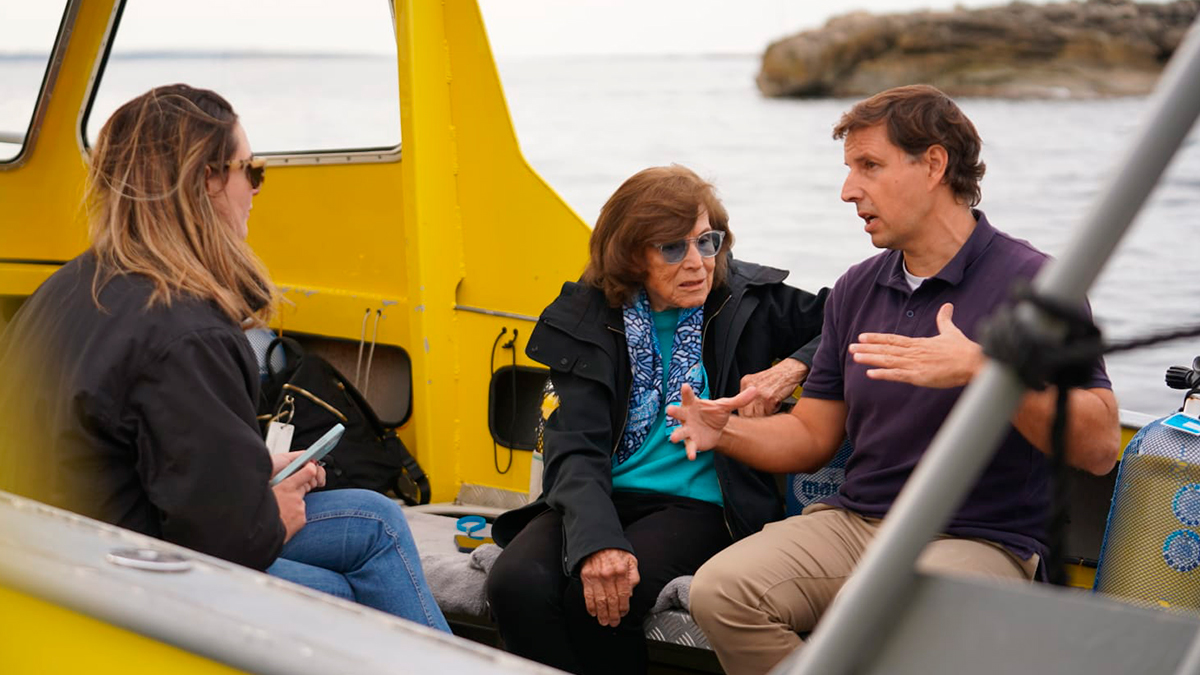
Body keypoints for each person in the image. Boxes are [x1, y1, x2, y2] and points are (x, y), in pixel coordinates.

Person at [670, 85, 1121, 675]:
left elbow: (1101, 446)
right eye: (849, 168)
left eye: (870, 166)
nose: (848, 189)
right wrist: (723, 432)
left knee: (877, 610)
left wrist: (986, 372)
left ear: (933, 164)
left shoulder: (1036, 285)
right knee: (720, 591)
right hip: (855, 523)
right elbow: (811, 437)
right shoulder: (857, 287)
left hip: (979, 538)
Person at [0, 84, 449, 632]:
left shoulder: (65, 289)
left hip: (54, 558)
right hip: (126, 587)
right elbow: (230, 542)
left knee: (376, 519)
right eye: (250, 171)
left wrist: (252, 469)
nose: (256, 190)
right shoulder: (187, 333)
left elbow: (116, 454)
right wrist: (273, 513)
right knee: (342, 593)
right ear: (208, 180)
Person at [484, 165, 827, 674]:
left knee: (599, 601)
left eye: (707, 242)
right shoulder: (587, 318)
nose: (698, 263)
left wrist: (790, 368)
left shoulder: (748, 303)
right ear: (630, 256)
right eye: (672, 248)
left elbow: (855, 317)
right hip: (601, 493)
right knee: (514, 584)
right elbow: (573, 450)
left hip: (704, 505)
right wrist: (598, 542)